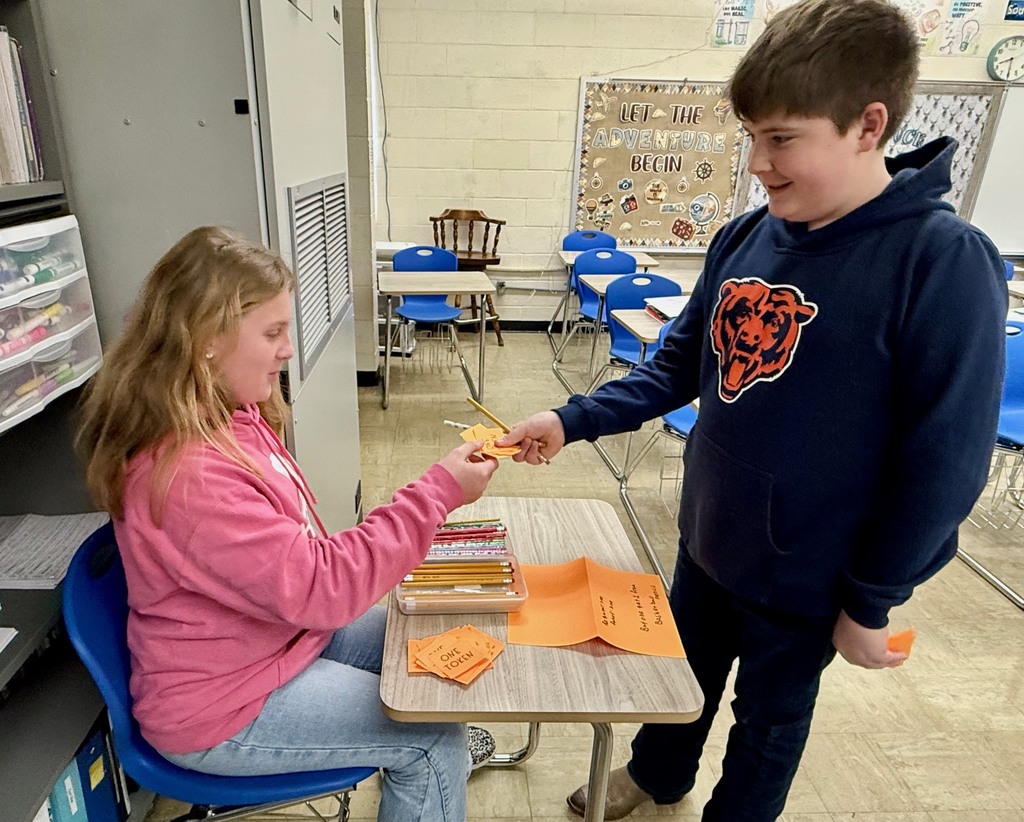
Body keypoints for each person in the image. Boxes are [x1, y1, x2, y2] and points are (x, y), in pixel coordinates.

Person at [499, 1, 1008, 819]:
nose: (759, 163)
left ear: (868, 125)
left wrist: (871, 600)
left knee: (768, 724)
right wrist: (572, 419)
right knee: (680, 677)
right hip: (711, 535)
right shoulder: (745, 236)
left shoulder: (942, 262)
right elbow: (677, 365)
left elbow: (944, 463)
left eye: (781, 139)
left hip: (811, 574)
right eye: (750, 137)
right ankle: (656, 774)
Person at [77, 226, 500, 821]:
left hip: (275, 637)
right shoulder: (190, 475)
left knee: (421, 646)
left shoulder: (228, 414)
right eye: (273, 333)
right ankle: (433, 767)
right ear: (207, 340)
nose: (288, 350)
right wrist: (438, 493)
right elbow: (324, 588)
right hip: (222, 704)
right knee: (431, 737)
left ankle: (431, 780)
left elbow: (302, 564)